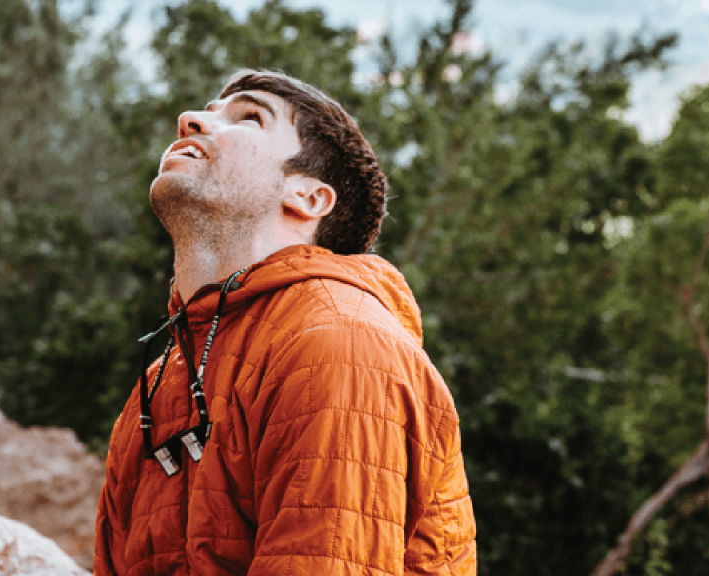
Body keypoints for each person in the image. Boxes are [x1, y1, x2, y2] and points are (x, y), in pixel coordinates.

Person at [94, 69, 476, 576]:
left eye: (249, 118)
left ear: (308, 198)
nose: (190, 121)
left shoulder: (338, 345)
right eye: (205, 110)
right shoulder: (161, 385)